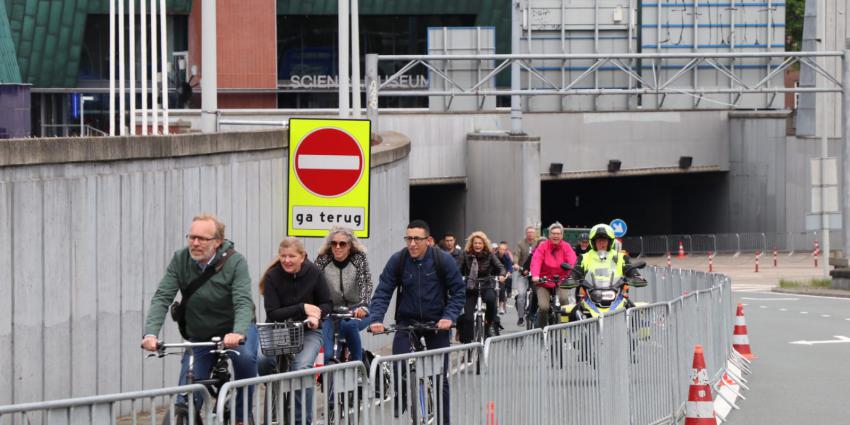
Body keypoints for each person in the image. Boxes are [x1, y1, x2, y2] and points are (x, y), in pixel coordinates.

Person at [141, 214, 257, 424]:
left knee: (246, 359)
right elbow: (162, 297)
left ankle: (241, 416)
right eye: (192, 237)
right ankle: (186, 415)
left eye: (202, 239)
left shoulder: (235, 262)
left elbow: (242, 301)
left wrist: (238, 332)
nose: (195, 243)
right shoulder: (180, 259)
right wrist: (150, 333)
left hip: (235, 329)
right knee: (189, 385)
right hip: (201, 332)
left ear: (217, 242)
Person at [368, 219, 465, 425]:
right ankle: (403, 398)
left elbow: (458, 291)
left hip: (436, 324)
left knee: (440, 377)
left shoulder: (442, 260)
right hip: (407, 322)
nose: (412, 243)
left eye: (417, 239)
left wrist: (449, 317)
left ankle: (443, 421)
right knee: (398, 364)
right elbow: (383, 291)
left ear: (428, 240)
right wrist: (376, 318)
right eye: (408, 238)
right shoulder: (398, 260)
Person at [260, 236, 332, 425]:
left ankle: (302, 421)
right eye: (283, 256)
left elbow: (327, 303)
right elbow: (273, 312)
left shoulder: (314, 273)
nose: (287, 260)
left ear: (303, 256)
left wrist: (317, 315)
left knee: (301, 369)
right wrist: (302, 308)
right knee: (263, 361)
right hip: (278, 329)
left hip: (308, 331)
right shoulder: (272, 277)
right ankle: (274, 406)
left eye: (291, 256)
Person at [314, 226, 372, 363]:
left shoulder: (359, 259)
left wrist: (363, 306)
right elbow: (313, 284)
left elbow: (366, 284)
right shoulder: (323, 259)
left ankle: (357, 364)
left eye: (342, 243)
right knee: (327, 355)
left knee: (350, 325)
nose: (337, 247)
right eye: (334, 243)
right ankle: (328, 381)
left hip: (356, 309)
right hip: (330, 311)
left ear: (350, 246)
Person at [570, 224, 644, 307]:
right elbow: (576, 270)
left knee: (633, 312)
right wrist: (571, 278)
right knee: (573, 314)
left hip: (617, 295)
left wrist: (636, 276)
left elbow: (630, 269)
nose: (602, 243)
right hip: (589, 296)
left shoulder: (620, 257)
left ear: (610, 242)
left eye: (604, 240)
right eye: (599, 241)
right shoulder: (584, 257)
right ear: (593, 242)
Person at [457, 231, 506, 342]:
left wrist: (502, 275)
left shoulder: (490, 254)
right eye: (475, 243)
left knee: (491, 300)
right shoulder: (465, 254)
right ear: (471, 244)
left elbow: (500, 267)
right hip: (470, 287)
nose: (477, 245)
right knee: (468, 317)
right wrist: (458, 277)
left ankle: (489, 324)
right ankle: (467, 343)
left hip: (486, 285)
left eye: (480, 243)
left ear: (484, 244)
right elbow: (457, 269)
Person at [530, 222, 578, 327]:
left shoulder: (566, 247)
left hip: (561, 280)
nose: (556, 236)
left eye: (558, 233)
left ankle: (563, 327)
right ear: (549, 235)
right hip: (544, 281)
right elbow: (536, 261)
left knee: (564, 300)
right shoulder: (543, 247)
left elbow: (572, 261)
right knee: (543, 307)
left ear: (562, 235)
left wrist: (573, 273)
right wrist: (535, 275)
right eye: (553, 233)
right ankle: (542, 331)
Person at [512, 226, 540, 326]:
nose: (530, 234)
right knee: (521, 295)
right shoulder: (520, 244)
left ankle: (534, 312)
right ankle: (520, 317)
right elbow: (516, 255)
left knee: (537, 292)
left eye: (532, 232)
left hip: (535, 274)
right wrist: (515, 263)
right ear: (526, 233)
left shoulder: (538, 243)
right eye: (528, 232)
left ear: (535, 234)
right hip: (522, 272)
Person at [495, 241, 513, 315]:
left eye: (504, 249)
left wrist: (509, 272)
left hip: (503, 274)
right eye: (501, 249)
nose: (502, 251)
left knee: (502, 288)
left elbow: (510, 266)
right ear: (498, 249)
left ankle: (501, 305)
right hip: (494, 274)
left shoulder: (507, 256)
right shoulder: (494, 256)